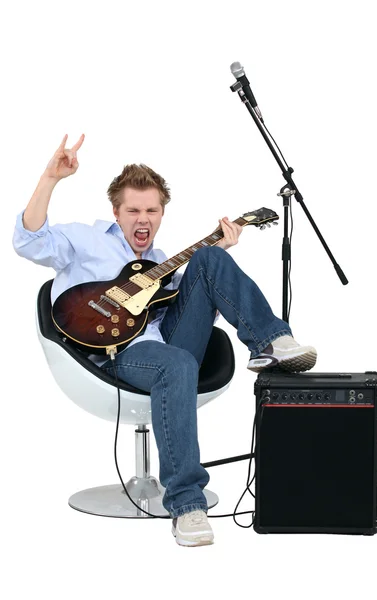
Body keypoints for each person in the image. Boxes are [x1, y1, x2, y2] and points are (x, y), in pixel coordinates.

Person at [13, 134, 317, 547]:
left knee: (209, 259)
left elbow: (200, 293)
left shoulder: (159, 265)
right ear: (116, 213)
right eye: (133, 210)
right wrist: (50, 178)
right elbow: (28, 241)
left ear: (161, 213)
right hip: (115, 356)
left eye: (152, 210)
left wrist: (222, 247)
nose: (143, 218)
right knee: (178, 364)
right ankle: (187, 506)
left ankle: (272, 341)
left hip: (165, 342)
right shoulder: (84, 241)